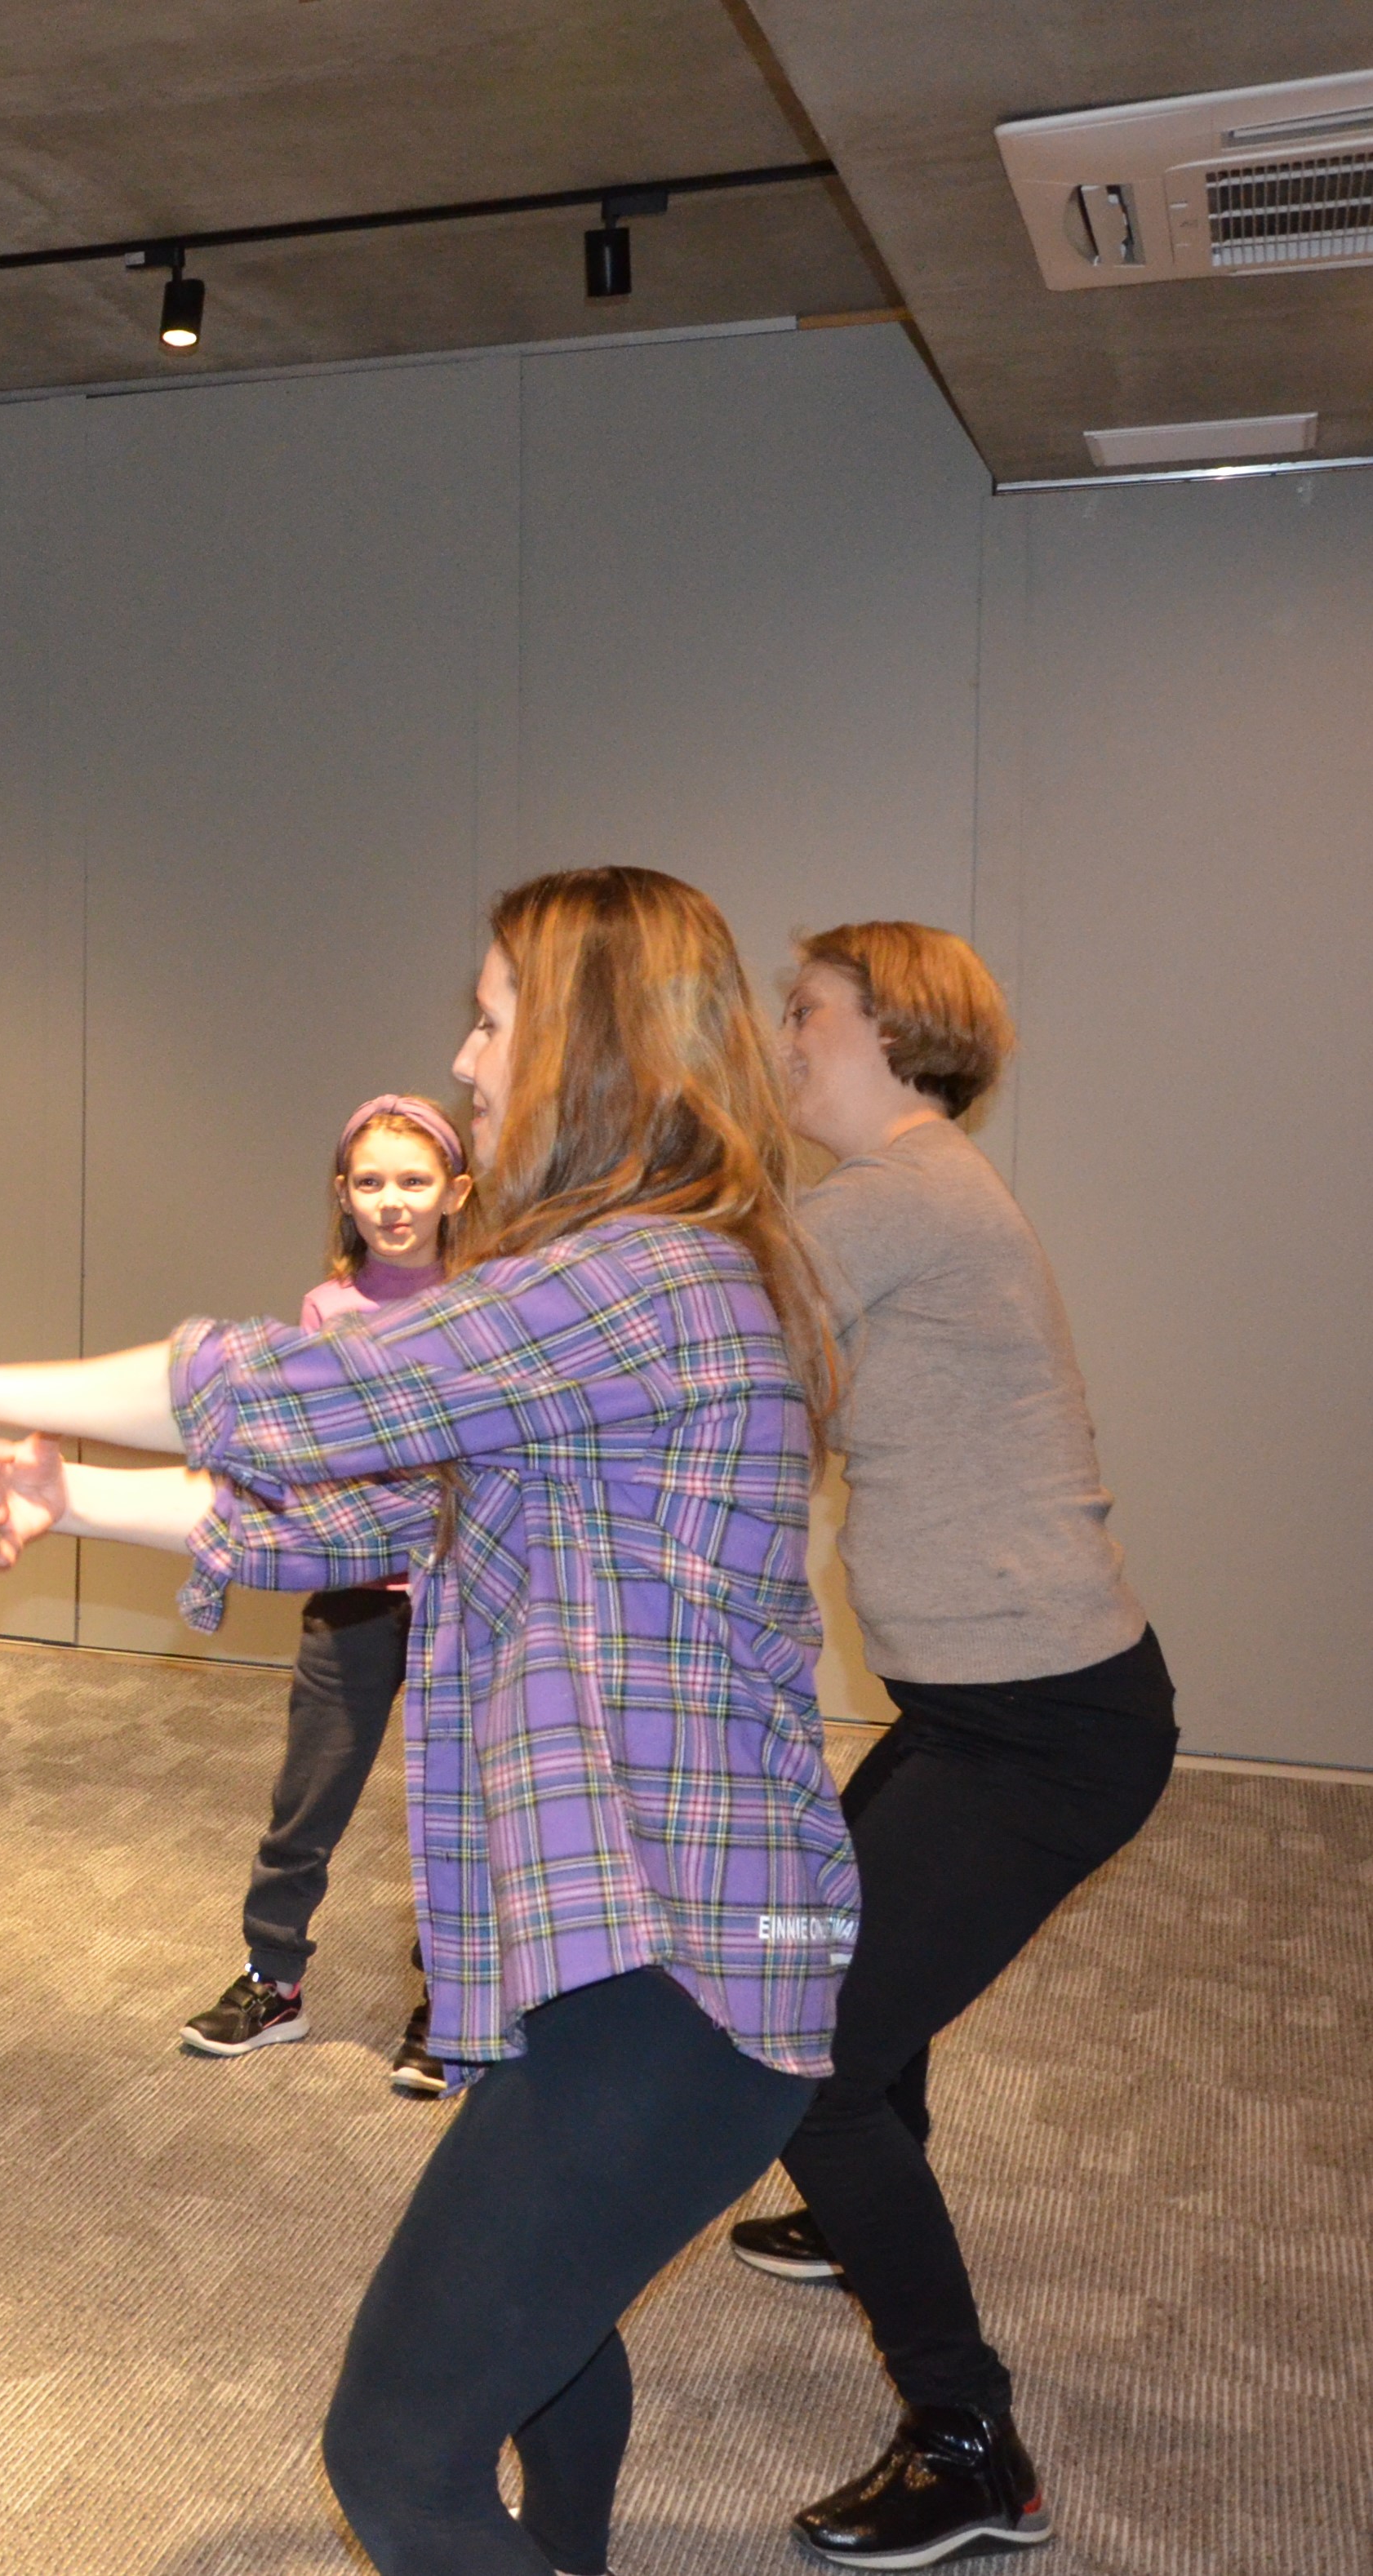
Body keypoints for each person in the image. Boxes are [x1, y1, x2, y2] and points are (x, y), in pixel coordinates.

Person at [0, 867, 859, 2576]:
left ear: (584, 1043)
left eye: (492, 1015)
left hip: (672, 1974)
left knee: (395, 2460)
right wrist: (72, 1494)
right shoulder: (648, 1283)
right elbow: (394, 1518)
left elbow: (313, 1397)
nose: (461, 1057)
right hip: (654, 1960)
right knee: (541, 2347)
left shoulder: (635, 1283)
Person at [733, 921, 1172, 2570]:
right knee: (814, 1934)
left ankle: (965, 2443)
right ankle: (861, 2217)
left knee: (808, 2048)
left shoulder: (894, 1198)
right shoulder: (905, 1206)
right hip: (976, 1719)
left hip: (1037, 1740)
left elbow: (705, 1329)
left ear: (893, 1033)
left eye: (808, 1012)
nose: (784, 1040)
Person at [176, 1096, 469, 2097]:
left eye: (415, 1181)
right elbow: (321, 1442)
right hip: (352, 1592)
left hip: (458, 1593)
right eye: (372, 1182)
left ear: (455, 1194)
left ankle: (452, 2004)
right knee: (308, 1796)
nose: (394, 1202)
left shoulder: (485, 1303)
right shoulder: (325, 1308)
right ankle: (272, 1976)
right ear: (343, 1197)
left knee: (453, 1807)